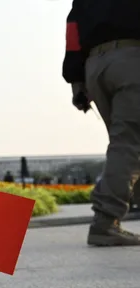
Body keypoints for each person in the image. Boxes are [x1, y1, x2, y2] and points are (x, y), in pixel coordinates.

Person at [63, 0, 140, 246]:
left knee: (124, 145)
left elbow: (73, 34)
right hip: (132, 60)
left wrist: (77, 82)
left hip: (96, 68)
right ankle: (105, 222)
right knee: (128, 145)